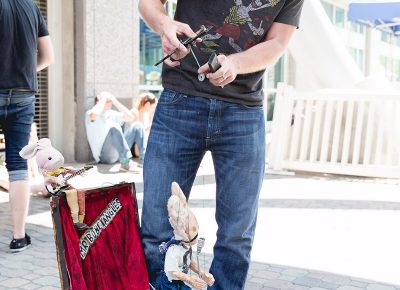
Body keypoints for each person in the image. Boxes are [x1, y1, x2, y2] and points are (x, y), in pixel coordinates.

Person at [139, 0, 304, 289]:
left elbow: (278, 42)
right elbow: (148, 4)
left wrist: (235, 63)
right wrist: (166, 26)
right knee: (157, 227)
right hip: (180, 99)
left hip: (244, 110)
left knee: (236, 236)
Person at [0, 0, 54, 252]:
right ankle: (19, 236)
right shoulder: (32, 8)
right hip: (24, 93)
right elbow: (48, 56)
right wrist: (22, 71)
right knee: (18, 164)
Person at [85, 91, 145, 171]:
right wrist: (104, 98)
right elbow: (93, 115)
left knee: (137, 126)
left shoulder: (111, 114)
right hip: (104, 156)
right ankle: (125, 162)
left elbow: (130, 118)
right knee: (114, 126)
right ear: (98, 102)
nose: (109, 103)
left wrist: (114, 100)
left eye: (110, 101)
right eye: (106, 101)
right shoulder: (90, 114)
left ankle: (145, 159)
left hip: (117, 153)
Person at [129, 92, 157, 158]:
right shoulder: (134, 112)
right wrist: (150, 126)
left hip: (142, 144)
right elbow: (135, 132)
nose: (153, 109)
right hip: (133, 145)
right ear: (147, 104)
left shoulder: (146, 114)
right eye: (153, 106)